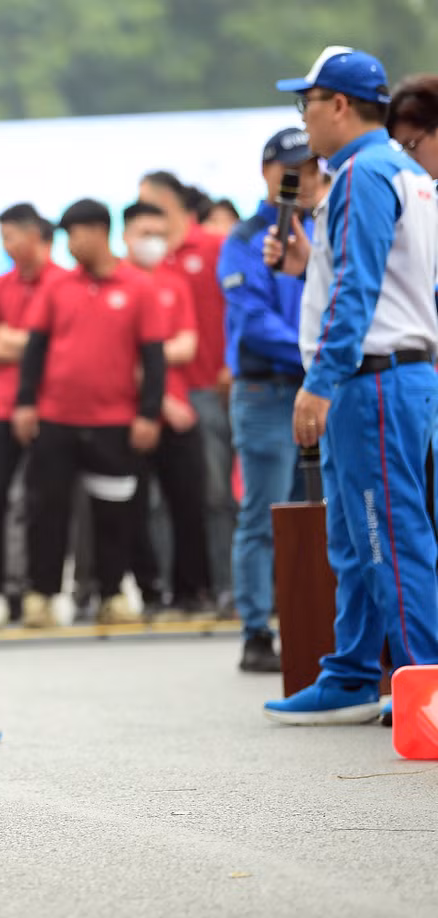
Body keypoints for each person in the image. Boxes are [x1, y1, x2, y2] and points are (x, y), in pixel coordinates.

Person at [263, 47, 438, 724]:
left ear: (338, 104)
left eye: (305, 102)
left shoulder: (364, 173)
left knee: (389, 538)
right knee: (362, 536)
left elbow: (361, 292)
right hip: (392, 375)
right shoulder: (402, 170)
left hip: (372, 381)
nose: (302, 118)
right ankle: (353, 673)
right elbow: (385, 279)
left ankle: (422, 685)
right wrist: (309, 265)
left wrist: (322, 380)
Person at [13, 199, 166, 626]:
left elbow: (153, 358)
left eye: (75, 233)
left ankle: (112, 594)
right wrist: (25, 404)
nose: (70, 244)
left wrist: (148, 415)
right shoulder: (56, 287)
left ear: (99, 231)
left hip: (114, 423)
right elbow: (34, 350)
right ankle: (41, 597)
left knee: (115, 514)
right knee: (47, 510)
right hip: (56, 420)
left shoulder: (138, 286)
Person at [218, 127, 322, 674]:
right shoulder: (246, 236)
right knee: (262, 514)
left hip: (316, 385)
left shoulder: (324, 227)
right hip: (267, 389)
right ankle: (256, 630)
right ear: (269, 172)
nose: (305, 179)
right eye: (295, 169)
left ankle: (310, 620)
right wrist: (315, 355)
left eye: (312, 167)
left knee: (317, 513)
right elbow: (252, 322)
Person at [139, 170, 234, 613]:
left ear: (167, 202)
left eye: (147, 203)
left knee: (216, 494)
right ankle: (172, 588)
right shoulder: (148, 266)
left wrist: (233, 364)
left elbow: (241, 306)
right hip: (162, 394)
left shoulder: (214, 247)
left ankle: (224, 585)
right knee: (161, 501)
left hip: (209, 387)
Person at [0, 204, 67, 629]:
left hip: (53, 410)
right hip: (3, 411)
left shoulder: (64, 285)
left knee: (46, 502)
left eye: (11, 236)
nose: (6, 246)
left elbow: (64, 348)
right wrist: (32, 342)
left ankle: (41, 593)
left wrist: (11, 339)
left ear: (34, 236)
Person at [121, 200, 213, 618]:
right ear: (125, 236)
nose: (153, 243)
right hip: (132, 413)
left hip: (180, 413)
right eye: (144, 234)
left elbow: (186, 345)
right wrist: (157, 396)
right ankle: (151, 591)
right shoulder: (118, 284)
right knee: (135, 509)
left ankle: (192, 590)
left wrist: (148, 356)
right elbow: (116, 356)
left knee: (189, 503)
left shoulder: (174, 282)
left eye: (160, 234)